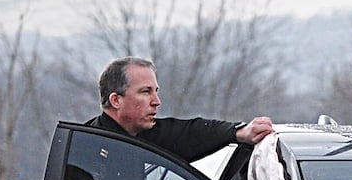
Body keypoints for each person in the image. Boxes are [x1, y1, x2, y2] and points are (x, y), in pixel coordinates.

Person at [88, 56, 274, 159]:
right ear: (116, 100)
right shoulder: (85, 149)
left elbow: (193, 132)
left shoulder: (144, 134)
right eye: (146, 92)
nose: (156, 101)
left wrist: (239, 132)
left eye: (156, 91)